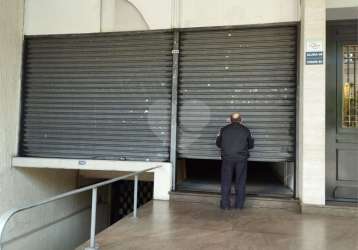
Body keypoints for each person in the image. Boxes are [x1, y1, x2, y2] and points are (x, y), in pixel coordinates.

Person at [216, 112, 254, 210]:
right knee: (240, 182)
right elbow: (251, 145)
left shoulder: (223, 129)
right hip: (241, 159)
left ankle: (225, 205)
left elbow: (218, 143)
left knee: (226, 182)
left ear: (230, 120)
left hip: (227, 159)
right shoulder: (246, 130)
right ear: (241, 120)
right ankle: (239, 205)